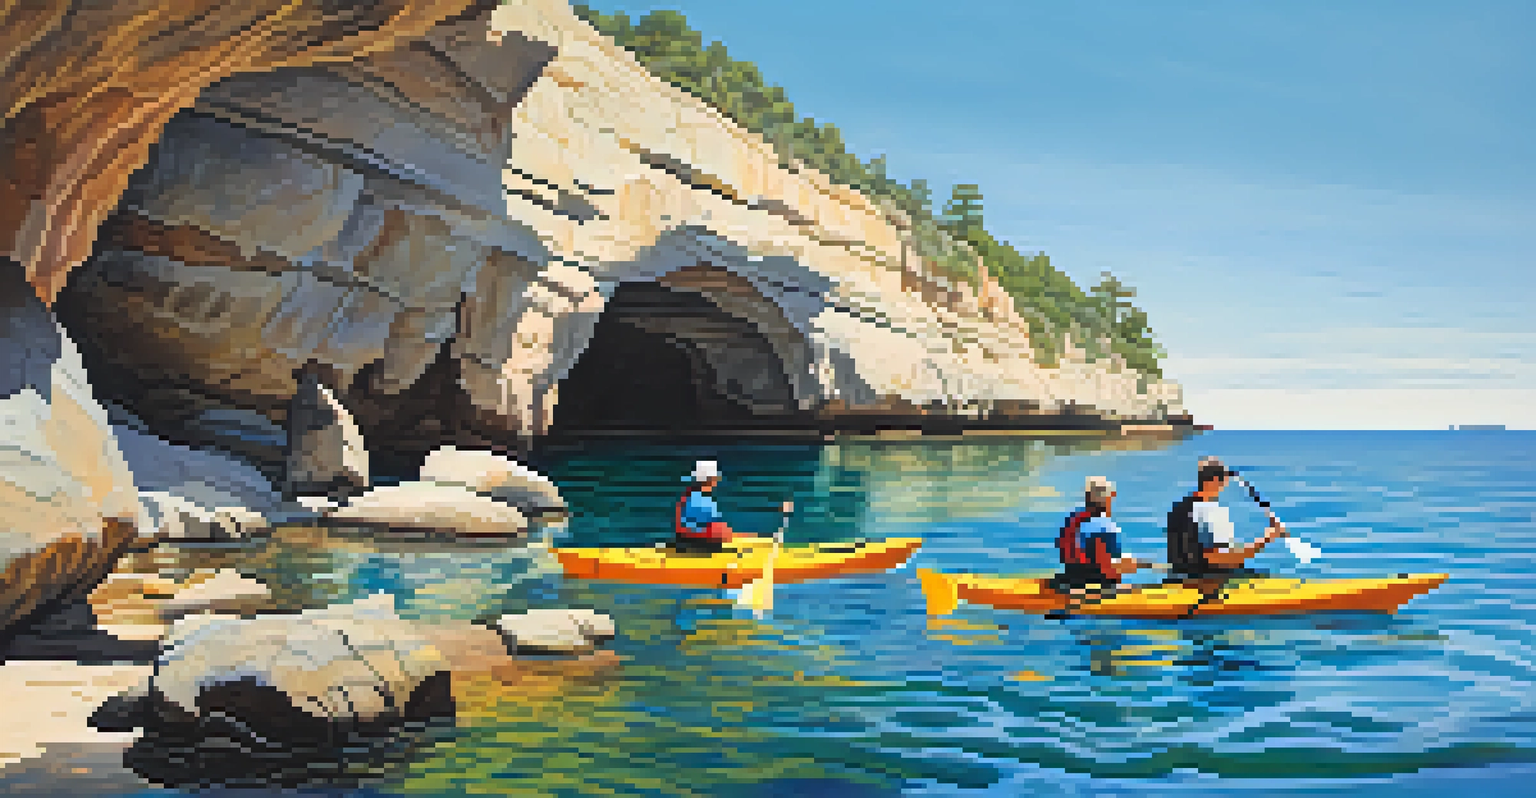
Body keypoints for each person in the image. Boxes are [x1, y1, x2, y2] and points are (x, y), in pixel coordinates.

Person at [1166, 456, 1287, 579]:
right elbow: (1218, 558)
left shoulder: (1178, 508)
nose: (1224, 486)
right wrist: (1266, 539)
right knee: (1263, 575)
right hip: (1208, 582)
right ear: (1214, 481)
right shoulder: (1210, 512)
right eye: (1223, 482)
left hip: (1178, 577)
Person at [1053, 476, 1145, 593]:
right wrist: (1136, 565)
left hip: (1071, 578)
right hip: (1099, 586)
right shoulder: (1105, 526)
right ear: (1108, 498)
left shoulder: (1071, 520)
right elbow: (1107, 566)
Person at [673, 460, 755, 553]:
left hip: (684, 540)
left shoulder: (688, 496)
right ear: (711, 479)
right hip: (699, 543)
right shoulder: (705, 502)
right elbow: (715, 528)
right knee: (723, 531)